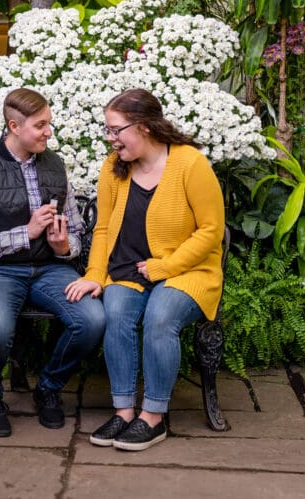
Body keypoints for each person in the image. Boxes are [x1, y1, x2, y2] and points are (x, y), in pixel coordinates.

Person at [66, 88, 225, 451]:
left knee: (159, 317)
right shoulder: (113, 167)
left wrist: (165, 266)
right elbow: (103, 228)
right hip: (128, 270)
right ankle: (124, 412)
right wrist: (94, 273)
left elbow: (211, 230)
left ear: (145, 127)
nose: (111, 138)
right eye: (107, 130)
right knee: (116, 312)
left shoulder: (190, 163)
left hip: (187, 272)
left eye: (116, 129)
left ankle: (153, 417)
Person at [0, 88, 105, 437]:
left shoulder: (54, 165)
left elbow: (76, 231)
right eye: (40, 125)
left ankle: (48, 388)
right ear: (14, 126)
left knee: (93, 320)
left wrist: (65, 246)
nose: (48, 132)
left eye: (49, 123)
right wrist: (27, 232)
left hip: (48, 269)